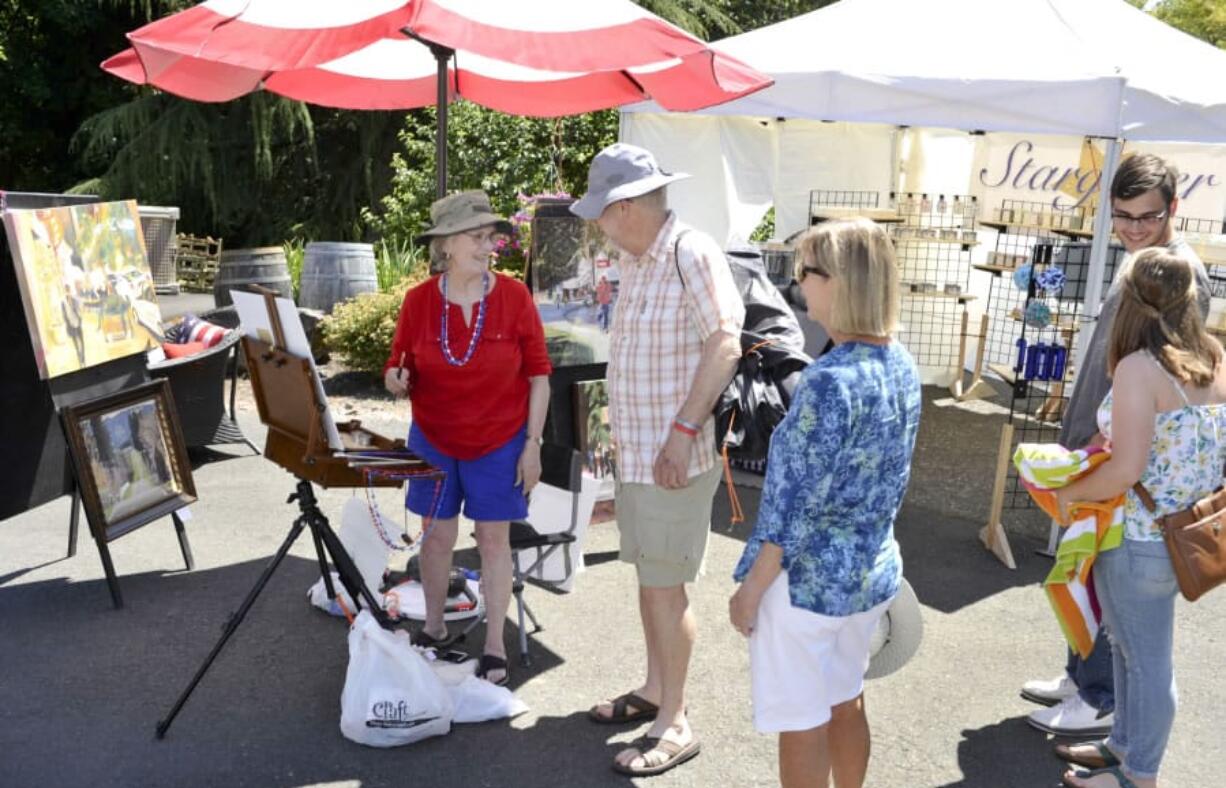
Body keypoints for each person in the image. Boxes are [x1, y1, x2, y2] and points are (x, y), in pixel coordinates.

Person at [728, 218, 921, 788]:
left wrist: (751, 591)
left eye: (805, 271)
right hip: (868, 575)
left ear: (840, 282)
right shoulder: (900, 364)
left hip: (808, 588)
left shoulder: (828, 381)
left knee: (803, 722)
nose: (796, 286)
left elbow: (791, 512)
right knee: (845, 698)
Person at [1023, 153, 1209, 741]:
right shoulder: (1141, 261)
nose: (1132, 227)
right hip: (1099, 442)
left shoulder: (1179, 274)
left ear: (1173, 209)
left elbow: (1168, 378)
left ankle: (1098, 695)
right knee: (1087, 571)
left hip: (1124, 465)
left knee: (1112, 588)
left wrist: (1105, 451)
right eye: (1122, 215)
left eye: (1146, 216)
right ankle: (1083, 679)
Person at [571, 143, 744, 777]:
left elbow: (726, 340)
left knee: (666, 590)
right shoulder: (639, 257)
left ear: (626, 207)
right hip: (643, 458)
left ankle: (676, 720)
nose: (598, 224)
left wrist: (682, 430)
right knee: (651, 582)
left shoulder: (689, 251)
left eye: (602, 212)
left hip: (672, 454)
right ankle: (654, 690)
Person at [1052, 249, 1225, 788]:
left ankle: (1138, 775)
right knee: (1130, 649)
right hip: (1181, 535)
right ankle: (1122, 746)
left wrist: (1069, 494)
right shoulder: (1213, 356)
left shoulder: (1137, 368)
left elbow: (1125, 469)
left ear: (1129, 302)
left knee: (1147, 664)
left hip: (1139, 537)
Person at [383, 190, 552, 687]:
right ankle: (434, 627)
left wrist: (533, 444)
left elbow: (540, 375)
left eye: (490, 237)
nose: (488, 247)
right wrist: (395, 377)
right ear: (447, 246)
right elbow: (397, 362)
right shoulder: (418, 301)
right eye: (476, 238)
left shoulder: (515, 297)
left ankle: (496, 644)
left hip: (501, 439)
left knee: (492, 540)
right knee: (437, 538)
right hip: (433, 438)